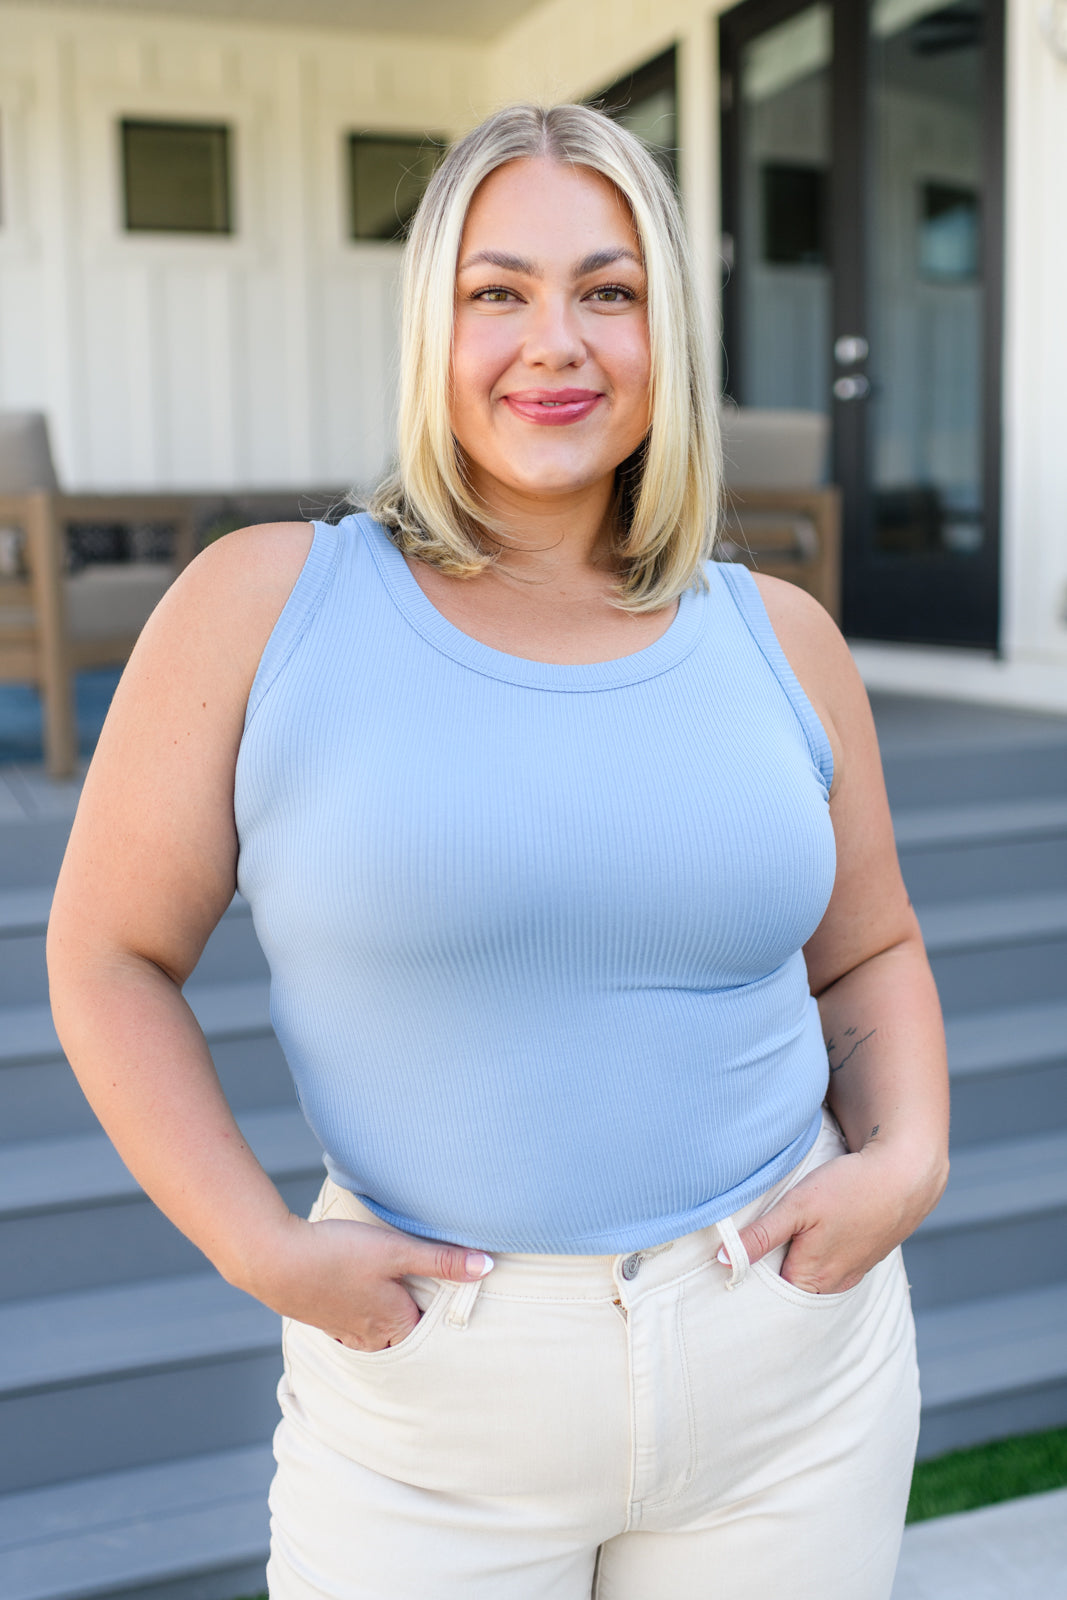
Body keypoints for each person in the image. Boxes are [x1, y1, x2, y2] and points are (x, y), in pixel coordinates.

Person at [47, 103, 949, 1600]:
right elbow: (108, 953)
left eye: (610, 291)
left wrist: (908, 1160)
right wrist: (261, 1248)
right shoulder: (265, 603)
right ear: (432, 329)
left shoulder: (781, 636)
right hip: (433, 1402)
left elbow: (869, 949)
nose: (558, 342)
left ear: (667, 333)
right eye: (498, 291)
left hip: (791, 1370)